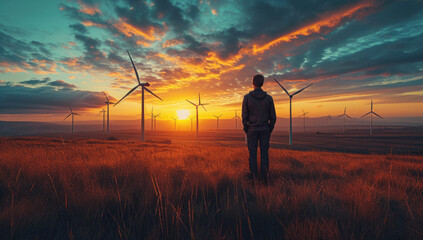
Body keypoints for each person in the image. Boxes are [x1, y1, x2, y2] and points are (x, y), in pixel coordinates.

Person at [242, 74, 276, 184]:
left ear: (253, 83)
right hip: (265, 129)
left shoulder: (247, 98)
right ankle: (265, 178)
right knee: (264, 154)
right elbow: (273, 117)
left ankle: (253, 178)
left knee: (252, 154)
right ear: (262, 83)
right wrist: (269, 128)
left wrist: (247, 128)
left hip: (252, 129)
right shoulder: (269, 98)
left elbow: (244, 116)